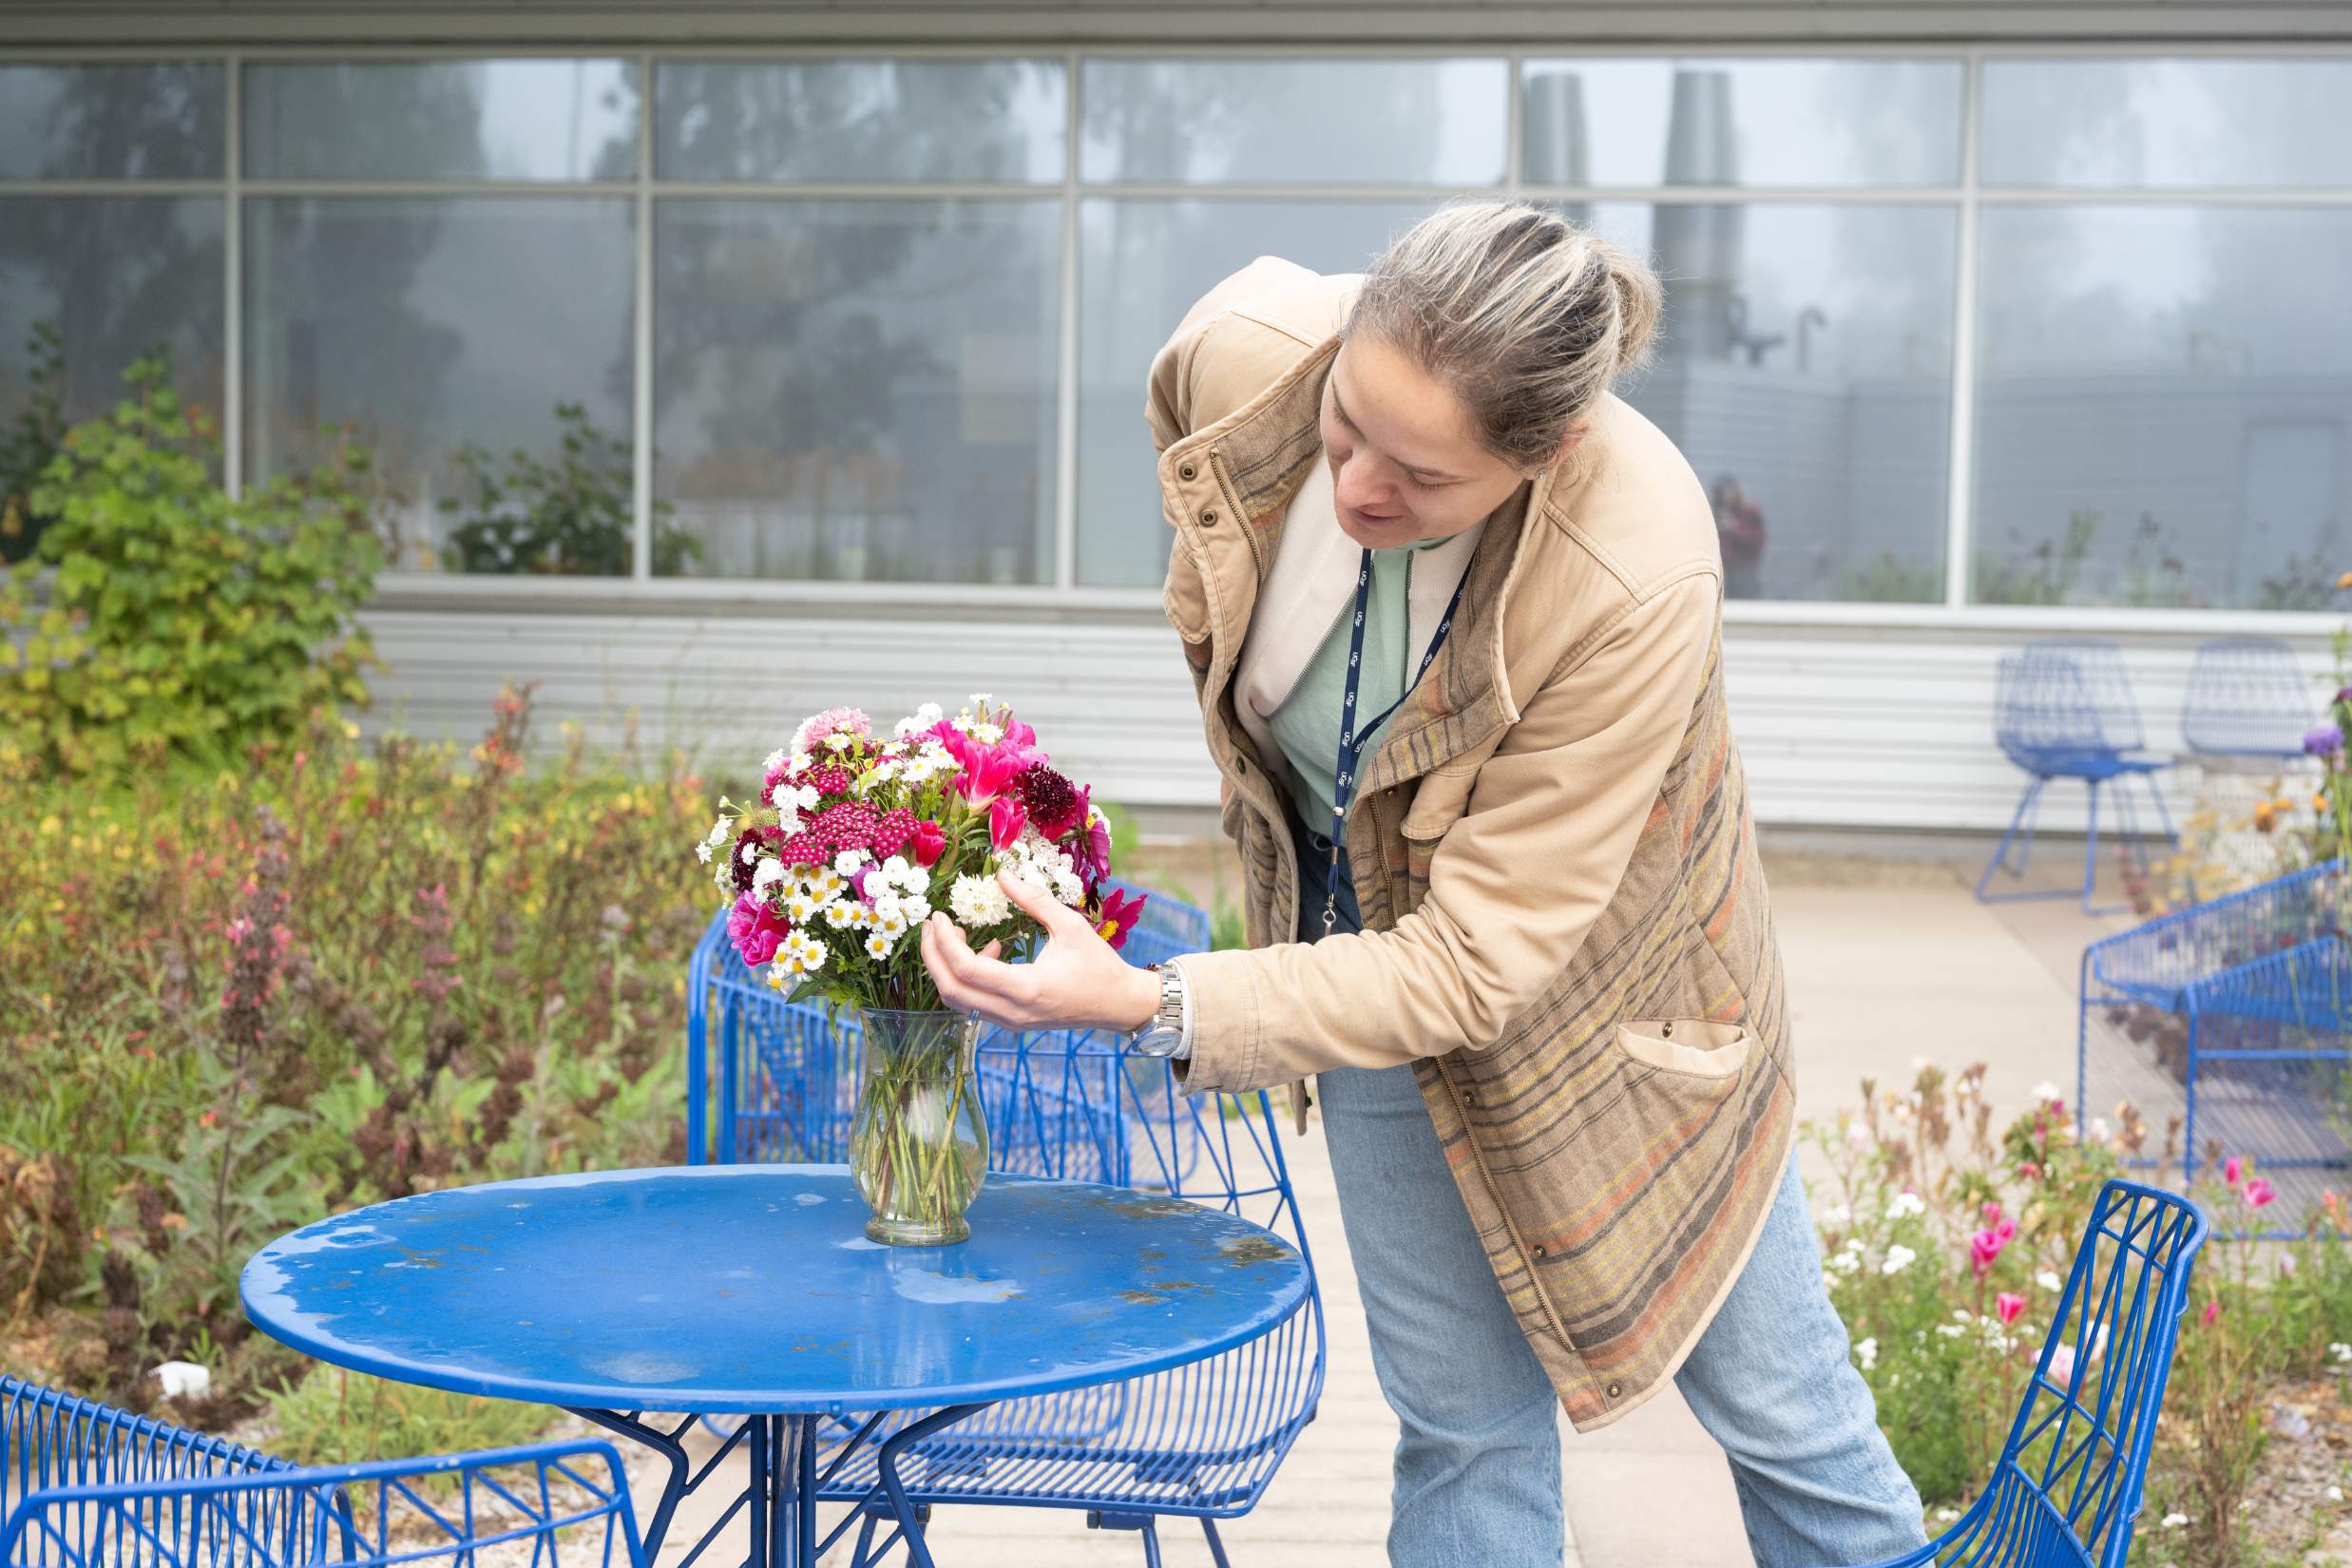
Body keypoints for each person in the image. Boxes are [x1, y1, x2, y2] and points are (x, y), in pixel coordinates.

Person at [920, 201, 1924, 1568]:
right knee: (1457, 1426)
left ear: (1545, 451)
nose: (1349, 492)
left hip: (1622, 1011)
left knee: (1786, 1420)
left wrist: (1151, 1001)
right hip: (1360, 950)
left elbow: (1472, 960)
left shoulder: (1634, 566)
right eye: (1344, 426)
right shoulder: (1247, 349)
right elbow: (1205, 469)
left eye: (1417, 477)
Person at [1713, 472, 1768, 599]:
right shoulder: (1715, 514)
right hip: (1722, 571)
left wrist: (1733, 528)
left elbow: (1757, 541)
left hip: (1744, 570)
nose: (1726, 495)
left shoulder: (1750, 513)